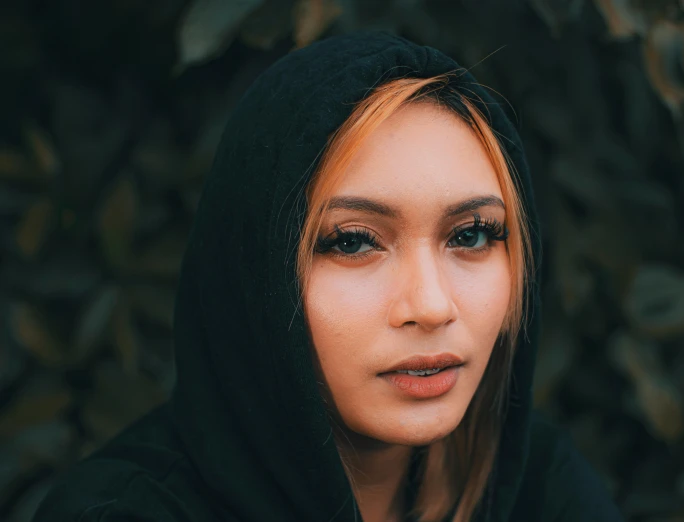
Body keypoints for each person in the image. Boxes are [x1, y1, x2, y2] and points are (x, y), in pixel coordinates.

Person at [32, 31, 624, 522]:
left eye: (470, 234)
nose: (432, 305)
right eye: (353, 241)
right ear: (256, 275)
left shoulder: (531, 482)